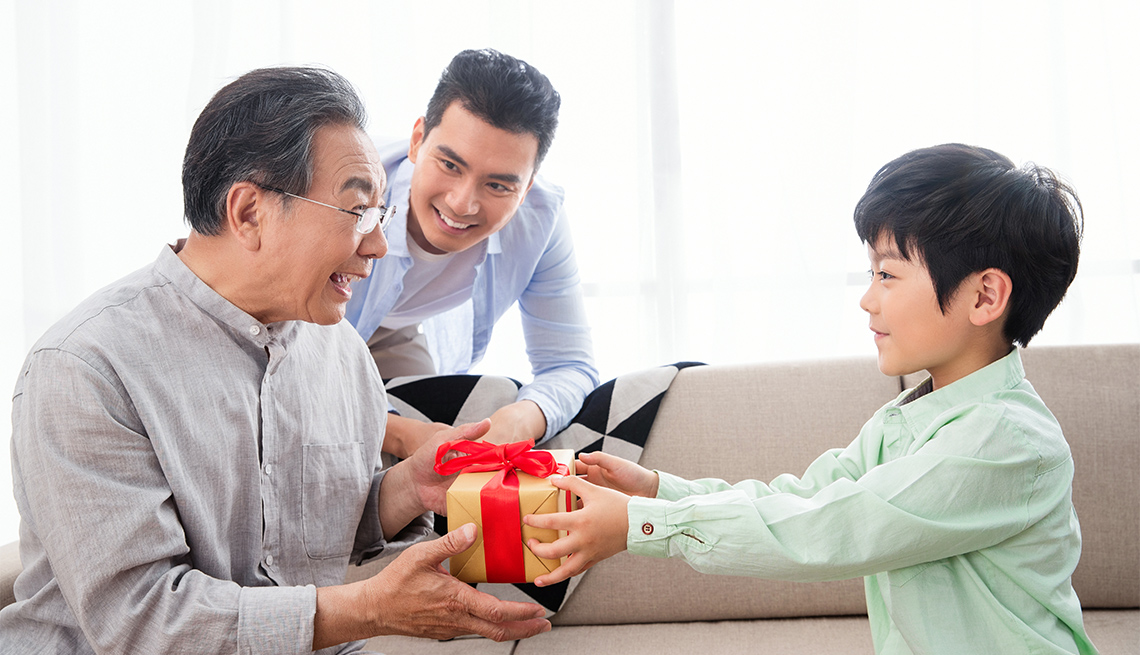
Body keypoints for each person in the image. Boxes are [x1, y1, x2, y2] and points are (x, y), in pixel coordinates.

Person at [0, 66, 550, 654]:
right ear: (248, 213)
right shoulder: (87, 368)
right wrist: (365, 610)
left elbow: (314, 528)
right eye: (357, 210)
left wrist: (408, 489)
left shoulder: (340, 353)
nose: (379, 245)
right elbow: (142, 619)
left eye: (381, 214)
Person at [524, 144, 1099, 654]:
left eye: (889, 275)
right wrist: (658, 490)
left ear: (986, 295)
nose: (868, 301)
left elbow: (827, 528)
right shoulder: (904, 422)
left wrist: (643, 525)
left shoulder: (1005, 441)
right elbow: (798, 498)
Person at [345, 49, 598, 459]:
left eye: (498, 186)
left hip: (394, 329)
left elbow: (570, 364)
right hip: (301, 324)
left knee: (432, 417)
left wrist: (522, 418)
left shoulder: (540, 222)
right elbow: (288, 357)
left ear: (528, 186)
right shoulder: (346, 183)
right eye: (449, 164)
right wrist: (401, 435)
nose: (462, 204)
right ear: (416, 141)